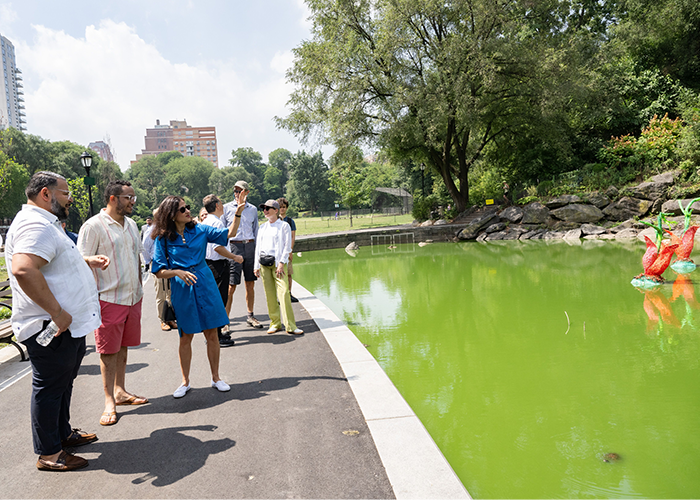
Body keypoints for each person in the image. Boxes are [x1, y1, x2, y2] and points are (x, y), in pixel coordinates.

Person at [5, 171, 109, 471]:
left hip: (66, 326)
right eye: (65, 192)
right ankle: (49, 453)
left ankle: (62, 434)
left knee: (62, 385)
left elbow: (51, 262)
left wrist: (84, 262)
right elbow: (25, 269)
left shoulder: (46, 224)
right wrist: (57, 312)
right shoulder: (35, 224)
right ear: (46, 194)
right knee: (50, 388)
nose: (70, 198)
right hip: (50, 325)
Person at [151, 195, 244, 398]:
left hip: (205, 282)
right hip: (182, 288)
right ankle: (185, 382)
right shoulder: (163, 238)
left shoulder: (200, 229)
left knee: (212, 333)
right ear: (171, 215)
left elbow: (229, 233)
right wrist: (177, 272)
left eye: (188, 207)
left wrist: (238, 212)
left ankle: (216, 378)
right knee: (186, 337)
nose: (187, 211)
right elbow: (158, 270)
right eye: (182, 209)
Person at [77, 180, 148, 427]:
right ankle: (109, 400)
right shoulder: (93, 226)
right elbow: (78, 260)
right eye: (128, 197)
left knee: (124, 346)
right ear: (112, 198)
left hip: (132, 296)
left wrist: (139, 287)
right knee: (108, 350)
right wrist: (90, 259)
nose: (132, 202)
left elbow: (136, 257)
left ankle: (120, 390)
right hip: (108, 297)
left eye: (133, 197)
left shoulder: (131, 225)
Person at [254, 199, 303, 336]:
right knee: (269, 295)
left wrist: (282, 263)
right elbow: (258, 247)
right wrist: (256, 266)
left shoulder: (284, 226)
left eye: (268, 208)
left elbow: (287, 246)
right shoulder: (262, 227)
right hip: (264, 264)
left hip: (278, 265)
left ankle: (290, 325)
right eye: (263, 208)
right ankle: (275, 323)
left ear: (276, 210)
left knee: (284, 293)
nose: (265, 210)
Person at [200, 194, 244, 348]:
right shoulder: (216, 223)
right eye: (221, 202)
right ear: (217, 205)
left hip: (209, 264)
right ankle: (216, 336)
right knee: (219, 301)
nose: (223, 204)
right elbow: (217, 247)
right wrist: (234, 257)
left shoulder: (206, 221)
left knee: (215, 300)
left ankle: (215, 334)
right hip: (217, 265)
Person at [222, 180, 263, 329]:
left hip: (250, 246)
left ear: (247, 192)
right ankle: (225, 320)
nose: (237, 193)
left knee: (250, 283)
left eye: (240, 191)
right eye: (235, 190)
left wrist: (257, 251)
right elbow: (223, 232)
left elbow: (256, 230)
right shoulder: (226, 208)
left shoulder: (252, 209)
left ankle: (250, 315)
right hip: (234, 246)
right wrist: (227, 252)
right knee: (231, 285)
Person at [143, 209, 177, 331]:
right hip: (158, 265)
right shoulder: (152, 230)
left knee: (170, 292)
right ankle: (163, 320)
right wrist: (149, 261)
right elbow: (145, 247)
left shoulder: (170, 228)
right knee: (161, 293)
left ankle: (171, 318)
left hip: (170, 264)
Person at [277, 197, 298, 302]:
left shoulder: (290, 221)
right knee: (278, 273)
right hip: (277, 252)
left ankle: (289, 293)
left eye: (284, 207)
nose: (282, 209)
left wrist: (290, 250)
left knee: (289, 273)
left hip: (287, 250)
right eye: (280, 207)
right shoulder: (275, 221)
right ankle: (280, 295)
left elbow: (293, 236)